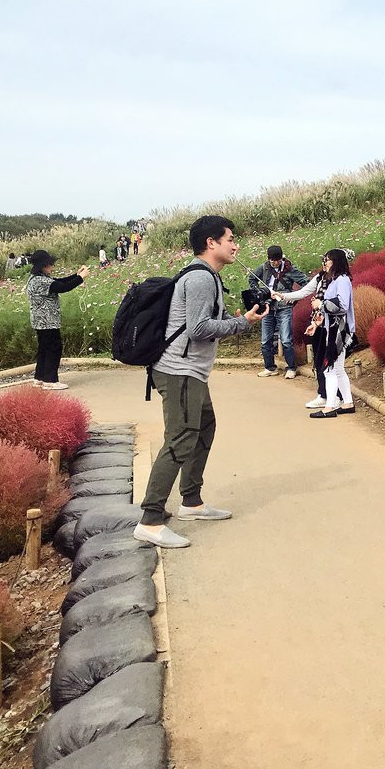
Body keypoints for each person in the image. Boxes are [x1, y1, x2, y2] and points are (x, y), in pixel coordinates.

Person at [133, 215, 265, 549]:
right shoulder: (202, 278)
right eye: (230, 238)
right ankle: (150, 520)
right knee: (180, 439)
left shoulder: (206, 277)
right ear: (211, 243)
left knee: (204, 426)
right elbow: (198, 329)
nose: (235, 245)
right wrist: (241, 322)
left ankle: (191, 502)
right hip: (179, 370)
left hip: (190, 371)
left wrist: (234, 318)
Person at [275, 249, 356, 418]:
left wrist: (321, 304)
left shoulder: (341, 280)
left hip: (339, 331)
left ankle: (330, 406)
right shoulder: (335, 280)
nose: (324, 263)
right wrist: (317, 323)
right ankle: (347, 403)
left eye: (327, 260)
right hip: (332, 328)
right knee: (338, 369)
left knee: (329, 369)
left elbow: (342, 306)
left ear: (335, 262)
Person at [25, 249, 89, 390]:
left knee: (44, 348)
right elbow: (63, 287)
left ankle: (40, 378)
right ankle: (50, 380)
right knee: (54, 348)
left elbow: (58, 281)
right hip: (47, 321)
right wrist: (81, 278)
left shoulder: (35, 278)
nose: (52, 267)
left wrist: (76, 275)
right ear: (44, 265)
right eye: (50, 264)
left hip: (40, 320)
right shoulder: (41, 281)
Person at [249, 245, 308, 379]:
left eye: (277, 260)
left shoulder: (290, 269)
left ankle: (291, 367)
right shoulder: (264, 267)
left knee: (286, 339)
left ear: (281, 258)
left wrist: (293, 297)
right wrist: (260, 293)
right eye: (272, 260)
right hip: (268, 307)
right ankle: (269, 367)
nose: (275, 262)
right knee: (265, 340)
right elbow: (252, 278)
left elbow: (306, 283)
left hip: (284, 306)